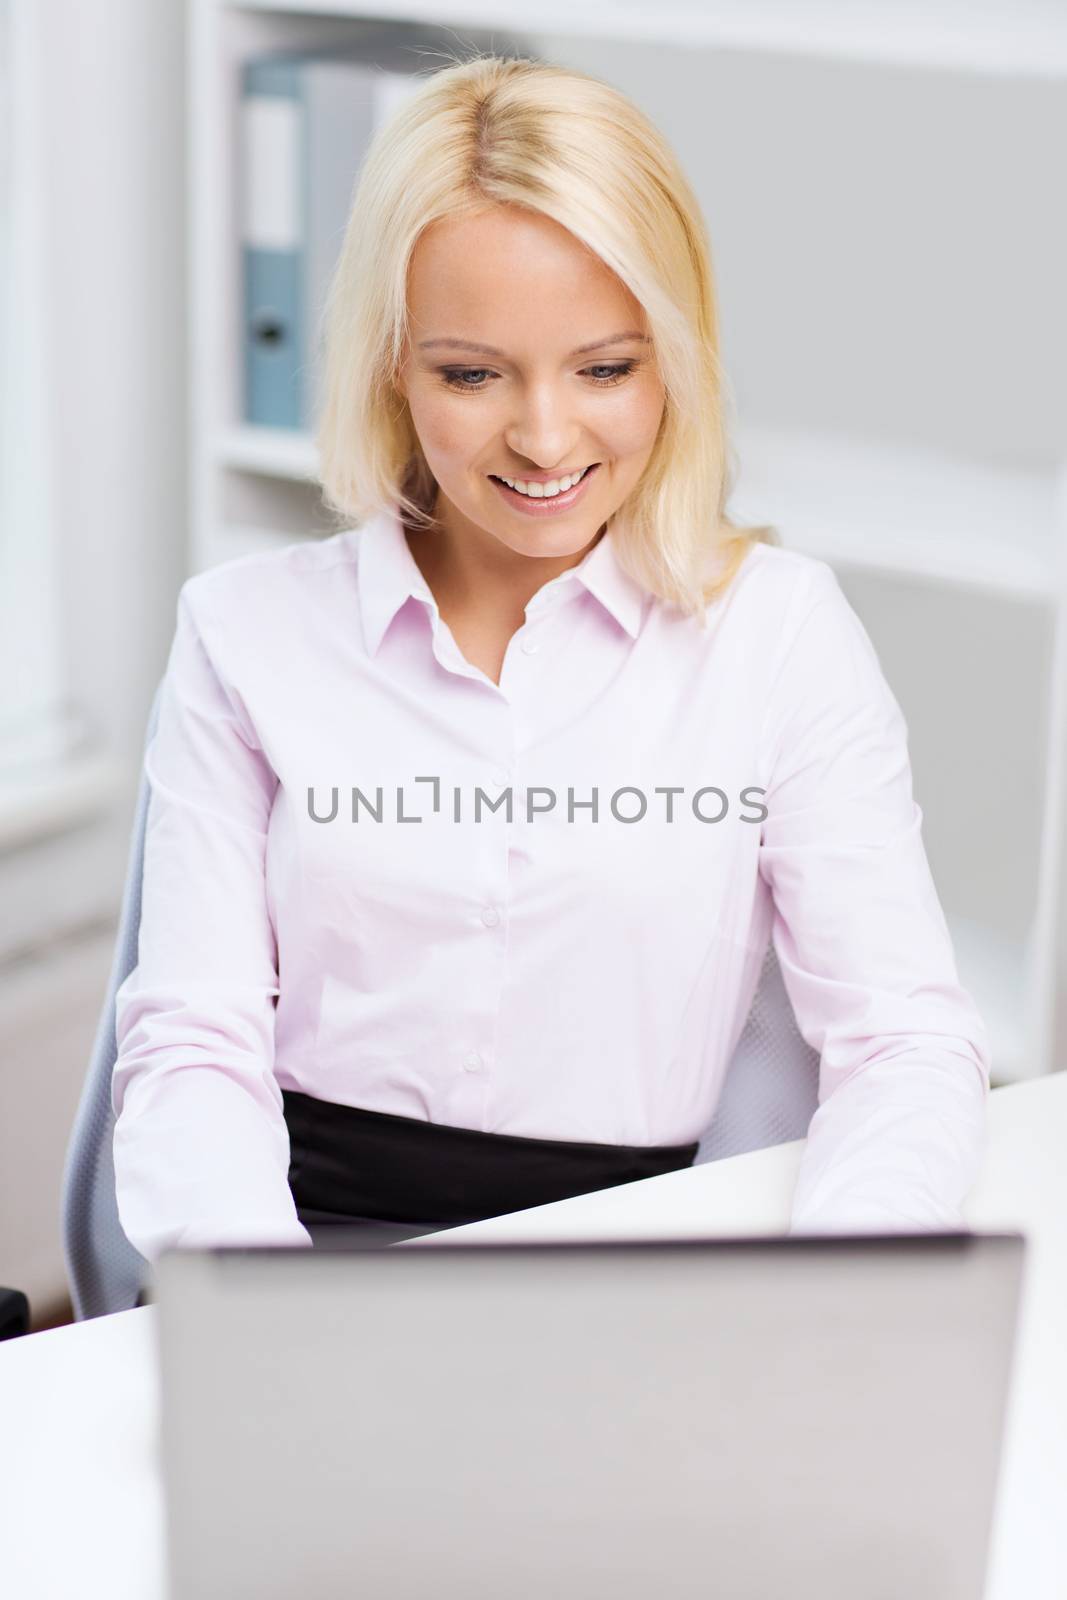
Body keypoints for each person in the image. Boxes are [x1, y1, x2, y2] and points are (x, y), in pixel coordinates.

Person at [111, 52, 989, 1262]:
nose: (541, 436)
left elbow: (900, 1041)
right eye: (470, 374)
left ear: (674, 357)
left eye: (605, 369)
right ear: (388, 362)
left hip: (641, 1249)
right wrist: (269, 1322)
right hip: (314, 1242)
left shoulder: (780, 634)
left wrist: (831, 1305)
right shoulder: (244, 633)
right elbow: (193, 1046)